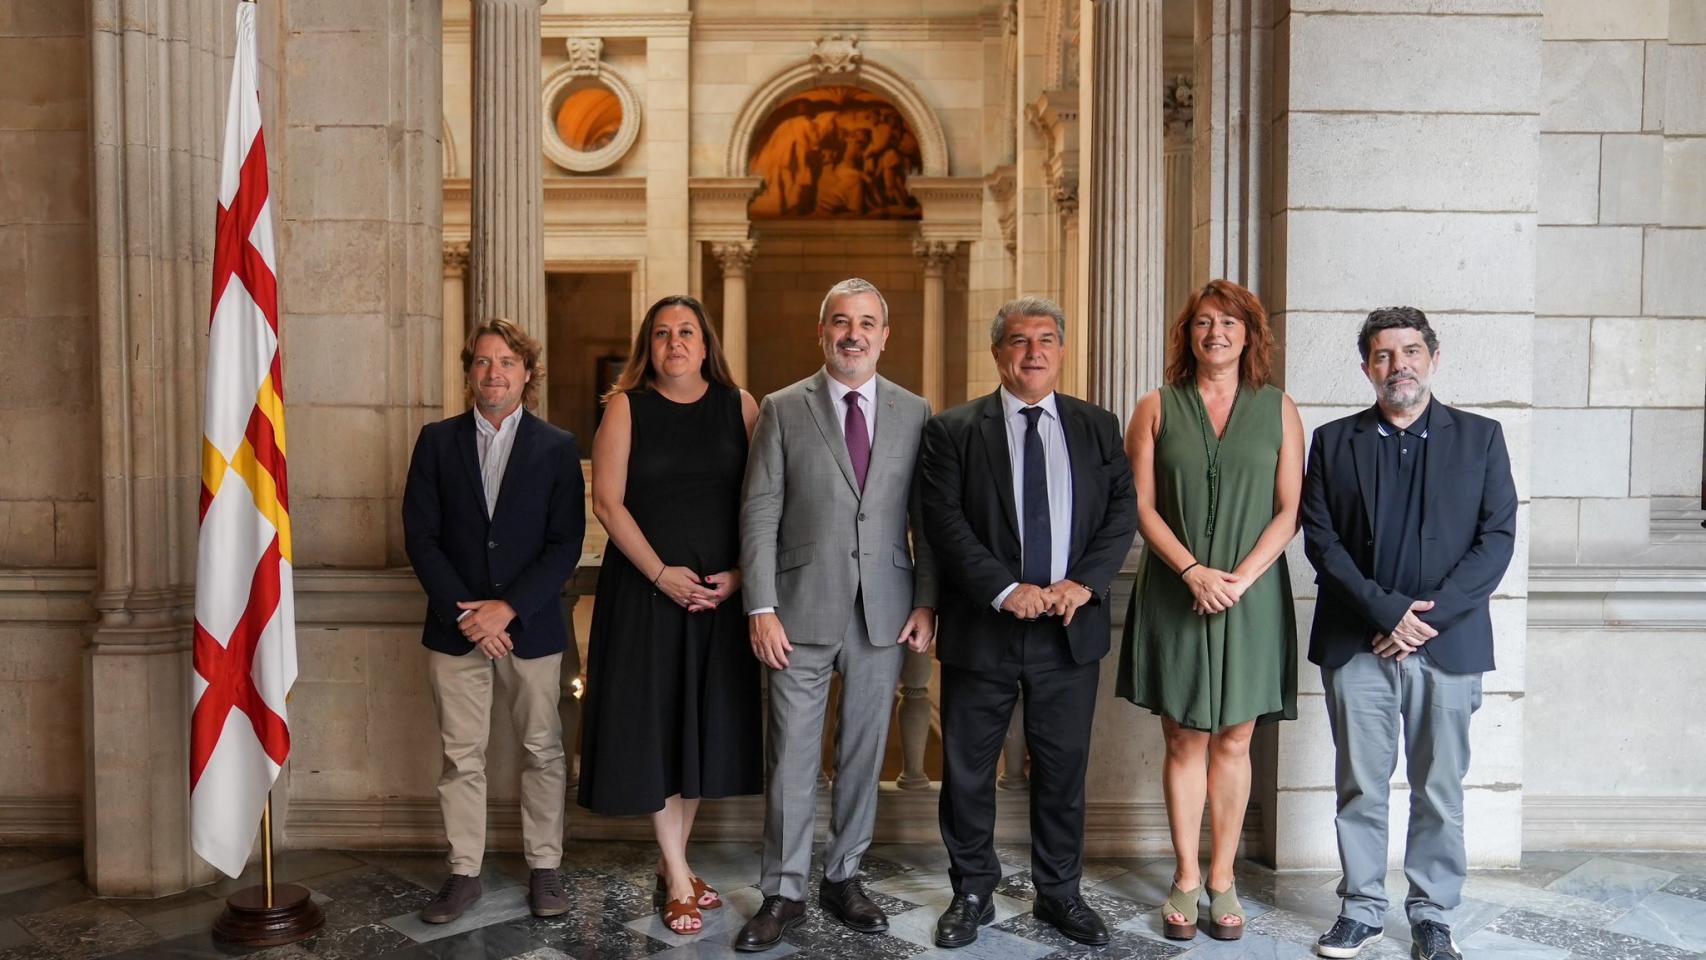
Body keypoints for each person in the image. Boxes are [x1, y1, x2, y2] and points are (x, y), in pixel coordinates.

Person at [919, 297, 1137, 950]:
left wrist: (1084, 582)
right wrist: (1003, 588)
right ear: (998, 353)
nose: (1034, 351)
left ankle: (1060, 894)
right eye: (1019, 340)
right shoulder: (954, 429)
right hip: (983, 629)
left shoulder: (1098, 426)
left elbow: (1121, 511)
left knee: (1064, 771)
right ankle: (973, 891)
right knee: (965, 772)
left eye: (1046, 339)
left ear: (1062, 351)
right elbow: (943, 522)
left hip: (1068, 631)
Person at [1302, 307, 1516, 960]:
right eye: (1385, 355)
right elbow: (1321, 540)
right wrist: (1386, 612)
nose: (1400, 365)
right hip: (1357, 643)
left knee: (1440, 788)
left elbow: (1497, 538)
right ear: (1367, 367)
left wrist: (1425, 620)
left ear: (1433, 357)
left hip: (1448, 646)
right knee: (1361, 786)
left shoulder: (1481, 438)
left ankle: (1431, 916)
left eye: (1411, 350)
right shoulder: (1335, 441)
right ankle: (1362, 911)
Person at [734, 278, 937, 953]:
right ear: (823, 333)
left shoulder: (915, 411)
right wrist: (760, 605)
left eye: (867, 323)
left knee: (862, 754)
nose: (854, 334)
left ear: (885, 335)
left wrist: (926, 599)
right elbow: (759, 510)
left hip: (885, 611)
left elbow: (925, 519)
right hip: (796, 611)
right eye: (841, 322)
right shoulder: (783, 407)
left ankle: (844, 876)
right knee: (791, 756)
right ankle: (784, 890)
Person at [1115, 279, 1302, 941]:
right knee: (1185, 735)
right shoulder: (1156, 408)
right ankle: (1187, 876)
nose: (1215, 333)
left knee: (1236, 737)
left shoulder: (1278, 408)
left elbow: (1289, 510)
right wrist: (1193, 571)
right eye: (1202, 322)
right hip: (1175, 588)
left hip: (1249, 598)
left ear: (1249, 334)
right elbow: (1139, 505)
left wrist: (1240, 579)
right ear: (1186, 334)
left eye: (1229, 322)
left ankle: (1223, 877)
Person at [577, 295, 763, 934]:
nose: (675, 343)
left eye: (686, 332)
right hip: (647, 598)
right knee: (658, 730)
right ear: (648, 347)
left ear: (706, 344)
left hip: (718, 599)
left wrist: (739, 577)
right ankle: (679, 875)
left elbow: (761, 503)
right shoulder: (626, 407)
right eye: (662, 334)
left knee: (701, 733)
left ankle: (673, 862)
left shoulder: (740, 407)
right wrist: (661, 574)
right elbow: (607, 502)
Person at [401, 317, 585, 923]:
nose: (493, 373)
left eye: (506, 362)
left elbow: (564, 543)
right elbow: (421, 538)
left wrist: (507, 609)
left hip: (531, 627)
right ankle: (463, 873)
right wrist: (470, 615)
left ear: (526, 373)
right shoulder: (435, 441)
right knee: (461, 756)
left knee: (543, 749)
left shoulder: (557, 447)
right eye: (482, 362)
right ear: (469, 373)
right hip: (453, 630)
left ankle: (545, 868)